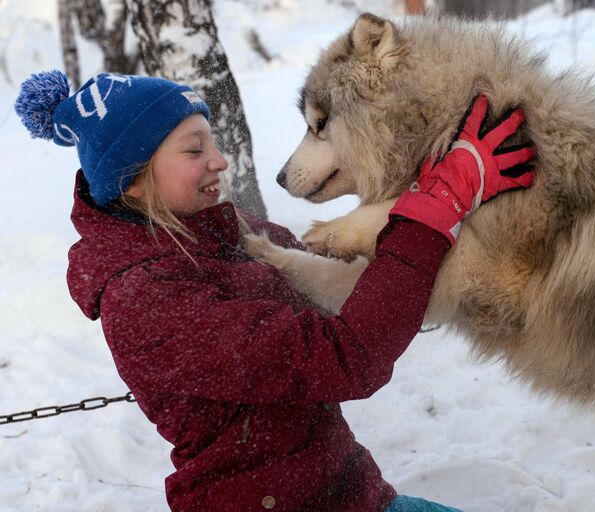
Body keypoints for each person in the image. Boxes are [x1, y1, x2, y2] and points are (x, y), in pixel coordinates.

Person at [15, 70, 535, 512]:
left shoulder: (217, 230)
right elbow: (346, 355)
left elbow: (332, 277)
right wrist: (432, 211)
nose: (219, 160)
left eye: (212, 141)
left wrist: (415, 185)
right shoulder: (146, 298)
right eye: (195, 149)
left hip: (346, 492)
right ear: (132, 180)